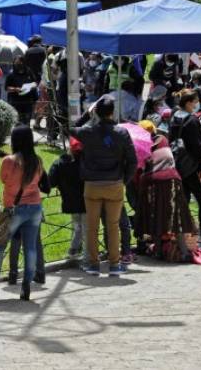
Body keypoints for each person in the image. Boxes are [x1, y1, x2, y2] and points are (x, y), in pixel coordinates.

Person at [70, 95, 137, 276]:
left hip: (92, 184)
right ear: (112, 112)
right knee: (113, 225)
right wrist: (125, 180)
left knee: (92, 226)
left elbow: (71, 129)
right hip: (114, 183)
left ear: (97, 113)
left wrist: (86, 114)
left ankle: (93, 264)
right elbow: (133, 161)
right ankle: (114, 265)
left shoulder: (88, 131)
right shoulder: (122, 133)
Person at [0, 126, 46, 301]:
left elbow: (3, 179)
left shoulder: (9, 161)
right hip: (35, 207)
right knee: (30, 248)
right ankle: (26, 287)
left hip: (14, 209)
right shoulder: (38, 161)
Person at [138, 123, 199, 261]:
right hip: (174, 180)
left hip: (155, 183)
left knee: (158, 216)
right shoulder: (163, 139)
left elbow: (143, 172)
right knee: (176, 218)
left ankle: (158, 251)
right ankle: (184, 252)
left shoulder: (144, 148)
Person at [169, 89, 201, 250]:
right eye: (195, 102)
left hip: (179, 167)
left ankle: (184, 238)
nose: (196, 104)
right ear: (188, 103)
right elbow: (197, 147)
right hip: (193, 168)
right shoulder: (191, 121)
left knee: (184, 203)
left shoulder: (174, 117)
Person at [49, 137, 87, 260]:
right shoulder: (87, 161)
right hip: (87, 201)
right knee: (86, 229)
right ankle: (85, 256)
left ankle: (74, 250)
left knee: (78, 227)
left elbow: (51, 181)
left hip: (70, 201)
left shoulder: (60, 162)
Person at [5, 56, 38, 125]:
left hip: (28, 101)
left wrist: (31, 86)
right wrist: (15, 89)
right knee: (17, 122)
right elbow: (7, 88)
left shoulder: (28, 72)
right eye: (16, 63)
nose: (18, 64)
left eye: (19, 62)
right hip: (16, 102)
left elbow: (35, 83)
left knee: (27, 122)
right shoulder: (11, 74)